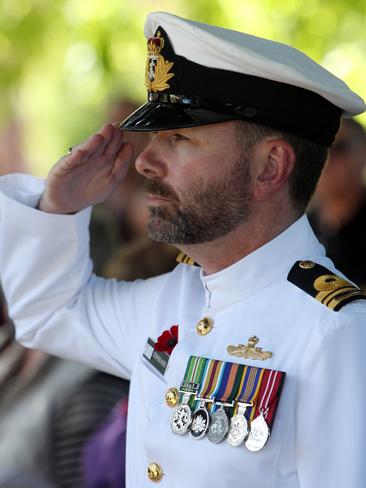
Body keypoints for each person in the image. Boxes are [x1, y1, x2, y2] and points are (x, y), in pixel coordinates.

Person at [0, 11, 365, 488]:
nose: (147, 161)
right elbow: (46, 315)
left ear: (270, 166)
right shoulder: (173, 300)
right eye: (154, 138)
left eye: (179, 139)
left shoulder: (336, 333)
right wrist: (58, 208)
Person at [308, 118, 366, 286]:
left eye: (338, 149)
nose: (326, 160)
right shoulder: (304, 229)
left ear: (362, 154)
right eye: (318, 148)